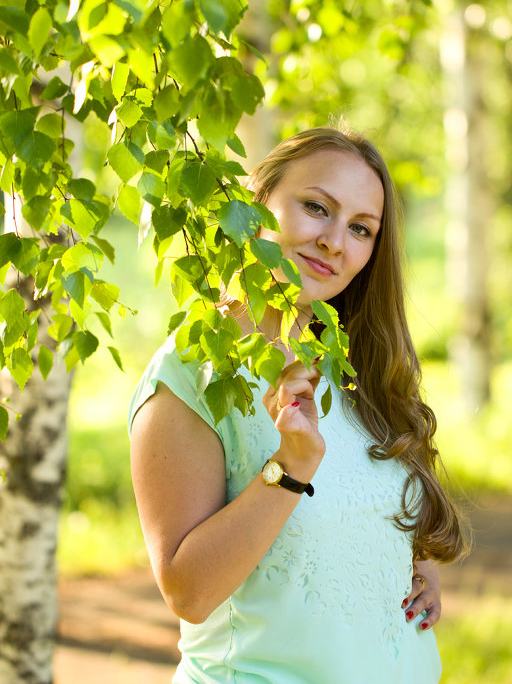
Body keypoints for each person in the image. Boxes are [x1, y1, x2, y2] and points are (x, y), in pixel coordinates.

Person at [129, 126, 466, 684]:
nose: (336, 241)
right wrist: (289, 470)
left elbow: (361, 509)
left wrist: (408, 562)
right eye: (316, 207)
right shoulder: (192, 374)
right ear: (256, 202)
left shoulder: (352, 364)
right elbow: (188, 592)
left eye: (361, 228)